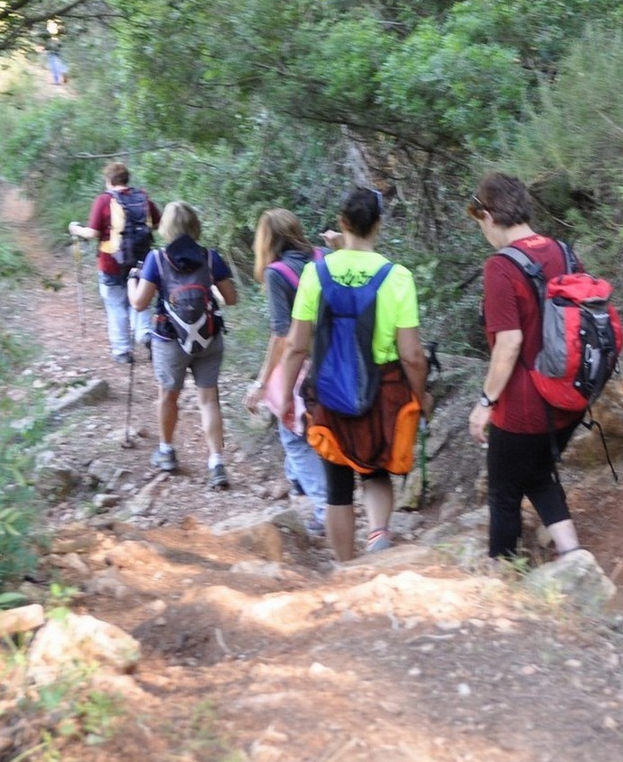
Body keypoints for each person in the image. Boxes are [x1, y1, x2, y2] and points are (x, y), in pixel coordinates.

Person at [273, 187, 430, 560]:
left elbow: (296, 345)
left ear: (342, 223)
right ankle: (378, 537)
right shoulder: (397, 277)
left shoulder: (315, 273)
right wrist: (421, 395)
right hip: (383, 388)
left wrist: (284, 396)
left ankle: (345, 568)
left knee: (337, 483)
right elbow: (412, 355)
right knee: (375, 470)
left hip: (329, 387)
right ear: (378, 224)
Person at [465, 172, 584, 561]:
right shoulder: (564, 252)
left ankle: (502, 578)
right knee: (537, 474)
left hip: (523, 409)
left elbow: (510, 342)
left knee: (503, 493)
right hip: (567, 399)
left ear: (488, 216)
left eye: (479, 221)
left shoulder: (500, 266)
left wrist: (485, 403)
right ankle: (574, 557)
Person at [130, 201, 239, 489]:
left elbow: (139, 303)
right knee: (209, 400)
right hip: (209, 337)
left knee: (168, 396)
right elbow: (231, 299)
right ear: (194, 226)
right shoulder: (211, 257)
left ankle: (166, 451)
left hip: (170, 340)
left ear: (166, 227)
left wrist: (132, 281)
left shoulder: (157, 259)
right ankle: (216, 463)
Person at [248, 208, 328, 538]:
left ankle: (324, 509)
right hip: (337, 359)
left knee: (293, 435)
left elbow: (282, 335)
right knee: (316, 429)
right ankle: (298, 481)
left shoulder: (277, 273)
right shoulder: (324, 256)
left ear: (266, 240)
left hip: (304, 363)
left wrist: (262, 382)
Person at [67, 162, 159, 364]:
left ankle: (122, 351)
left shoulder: (104, 200)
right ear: (126, 178)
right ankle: (146, 334)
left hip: (111, 263)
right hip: (143, 262)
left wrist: (75, 229)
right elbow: (157, 224)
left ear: (108, 180)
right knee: (141, 300)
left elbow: (92, 233)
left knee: (116, 305)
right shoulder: (143, 198)